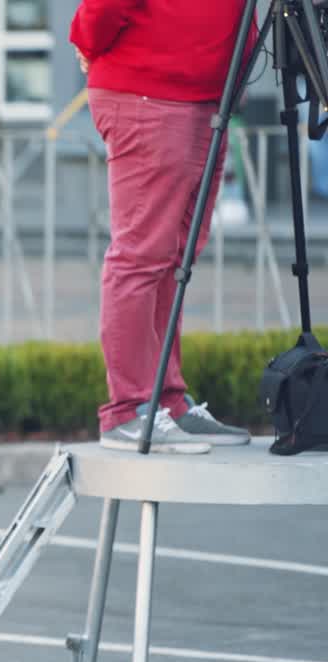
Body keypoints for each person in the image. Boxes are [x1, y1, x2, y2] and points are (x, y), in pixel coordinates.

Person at [72, 0, 254, 452]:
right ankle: (128, 409)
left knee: (173, 258)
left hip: (202, 100)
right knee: (142, 256)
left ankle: (165, 400)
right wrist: (86, 41)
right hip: (150, 96)